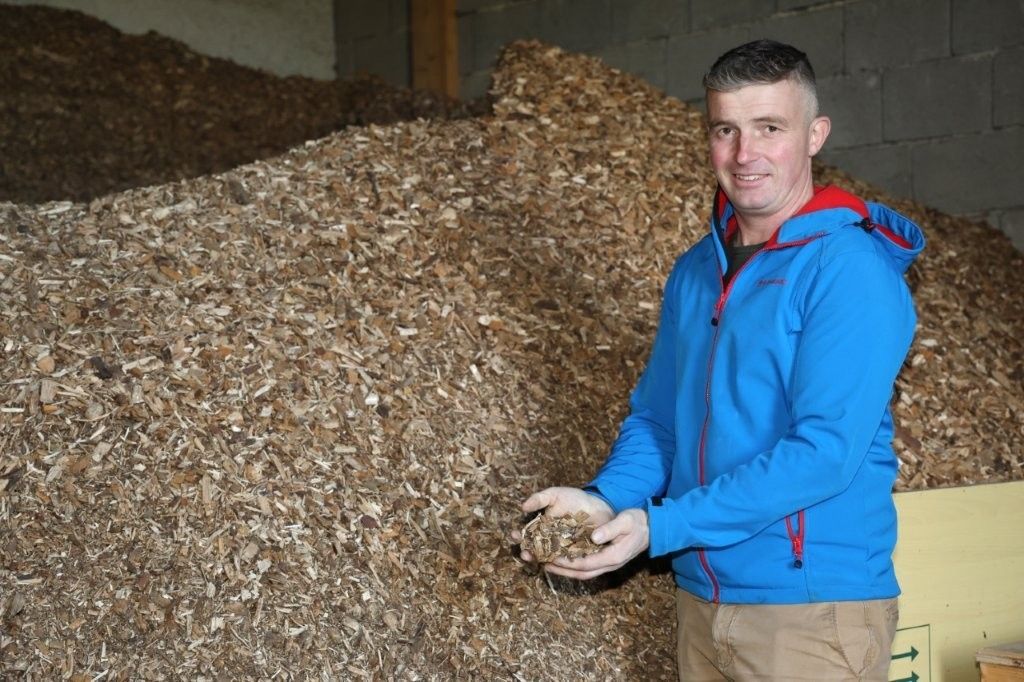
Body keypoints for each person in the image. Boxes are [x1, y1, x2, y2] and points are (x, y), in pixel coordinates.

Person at [517, 40, 925, 681]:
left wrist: (662, 525)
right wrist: (604, 499)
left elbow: (823, 452)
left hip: (811, 610)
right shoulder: (695, 271)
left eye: (770, 128)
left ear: (815, 135)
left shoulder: (848, 271)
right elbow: (659, 422)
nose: (744, 154)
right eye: (725, 130)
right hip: (702, 603)